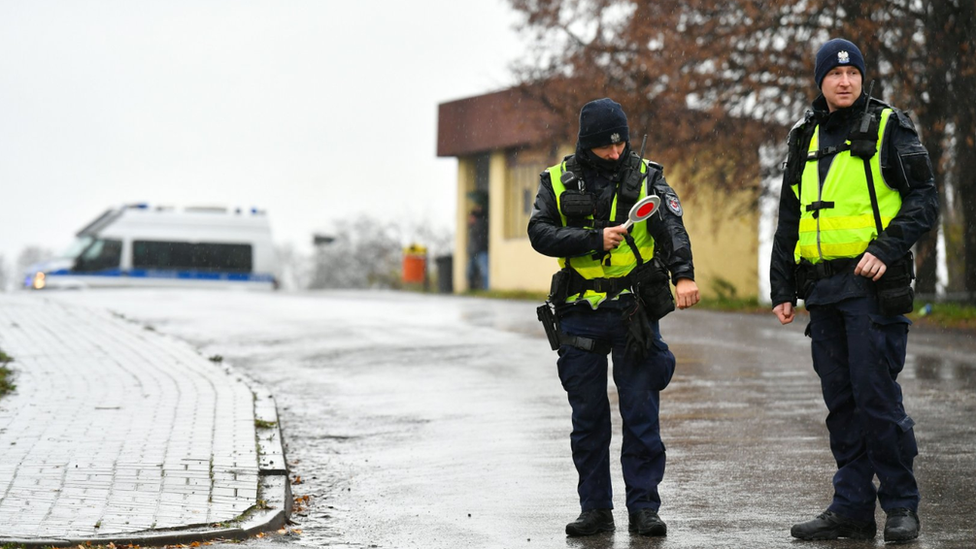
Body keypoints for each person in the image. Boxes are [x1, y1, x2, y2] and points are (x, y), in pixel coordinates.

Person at [769, 38, 939, 543]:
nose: (845, 82)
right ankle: (851, 508)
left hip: (872, 288)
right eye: (835, 75)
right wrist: (782, 286)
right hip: (822, 291)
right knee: (841, 404)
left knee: (876, 399)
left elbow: (924, 200)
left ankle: (902, 506)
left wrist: (885, 249)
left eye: (854, 74)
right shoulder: (804, 137)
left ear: (863, 79)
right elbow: (788, 218)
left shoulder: (890, 127)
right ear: (820, 81)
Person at [528, 97, 700, 537]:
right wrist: (591, 238)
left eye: (621, 142)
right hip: (579, 313)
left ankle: (644, 508)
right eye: (606, 146)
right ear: (586, 144)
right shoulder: (556, 180)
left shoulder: (647, 176)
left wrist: (683, 276)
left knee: (641, 415)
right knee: (588, 420)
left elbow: (673, 230)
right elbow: (540, 232)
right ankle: (595, 511)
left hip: (633, 312)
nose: (616, 152)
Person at [466, 198, 489, 290]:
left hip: (481, 249)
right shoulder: (472, 223)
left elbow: (480, 233)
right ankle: (471, 288)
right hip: (473, 250)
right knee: (470, 272)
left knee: (484, 271)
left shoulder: (482, 220)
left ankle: (486, 289)